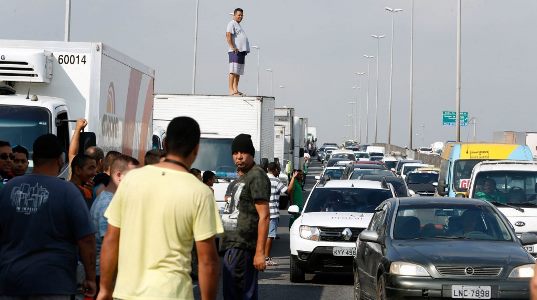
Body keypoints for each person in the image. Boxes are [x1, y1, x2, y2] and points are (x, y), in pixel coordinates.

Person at [98, 116, 222, 300]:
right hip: (172, 293)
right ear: (196, 149)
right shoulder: (200, 192)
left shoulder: (131, 180)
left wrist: (105, 290)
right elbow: (207, 262)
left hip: (127, 292)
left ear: (165, 143)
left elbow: (110, 240)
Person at [0, 134, 96, 299]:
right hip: (54, 284)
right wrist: (91, 278)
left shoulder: (9, 188)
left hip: (11, 281)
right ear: (60, 159)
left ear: (34, 158)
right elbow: (86, 239)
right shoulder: (68, 192)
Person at [221, 133, 270, 300]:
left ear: (251, 154)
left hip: (243, 246)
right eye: (235, 153)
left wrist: (259, 253)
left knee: (241, 295)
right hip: (232, 245)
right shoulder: (242, 177)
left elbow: (264, 216)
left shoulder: (257, 176)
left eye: (243, 152)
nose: (239, 157)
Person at [90, 155, 137, 295]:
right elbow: (110, 244)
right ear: (118, 176)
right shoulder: (108, 204)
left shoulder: (109, 199)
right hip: (107, 277)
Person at [265, 162, 289, 266]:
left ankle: (258, 255)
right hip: (272, 212)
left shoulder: (261, 179)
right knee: (270, 236)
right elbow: (287, 191)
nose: (278, 171)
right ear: (274, 170)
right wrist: (293, 179)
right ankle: (266, 258)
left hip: (260, 212)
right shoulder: (276, 181)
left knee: (261, 235)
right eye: (278, 169)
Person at [226, 8, 250, 96]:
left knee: (238, 71)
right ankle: (231, 89)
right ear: (234, 15)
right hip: (234, 51)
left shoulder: (238, 25)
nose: (240, 16)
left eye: (241, 15)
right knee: (233, 70)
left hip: (241, 52)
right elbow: (228, 35)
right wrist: (232, 47)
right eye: (239, 15)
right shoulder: (231, 23)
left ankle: (235, 89)